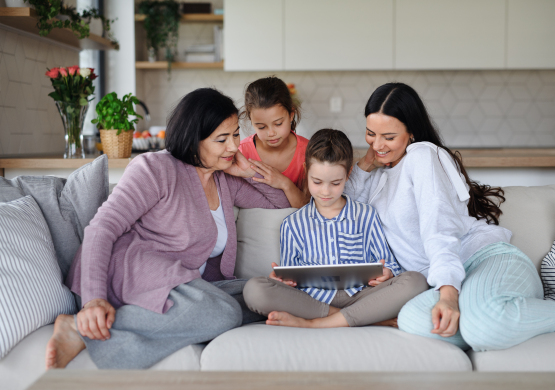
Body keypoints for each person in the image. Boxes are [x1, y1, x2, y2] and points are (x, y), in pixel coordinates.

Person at [45, 88, 292, 370]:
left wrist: (251, 173)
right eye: (221, 139)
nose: (234, 147)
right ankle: (79, 329)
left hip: (188, 287)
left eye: (236, 134)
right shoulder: (155, 168)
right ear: (192, 140)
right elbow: (102, 228)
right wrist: (93, 300)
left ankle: (185, 316)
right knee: (222, 314)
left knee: (265, 295)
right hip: (130, 272)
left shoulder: (225, 179)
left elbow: (280, 203)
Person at [345, 82, 555, 351]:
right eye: (370, 133)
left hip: (483, 261)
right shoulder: (378, 178)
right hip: (443, 281)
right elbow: (343, 206)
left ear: (411, 133)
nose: (377, 145)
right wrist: (364, 164)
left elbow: (438, 227)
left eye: (389, 136)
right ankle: (523, 315)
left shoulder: (421, 156)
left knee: (481, 327)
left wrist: (448, 295)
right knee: (411, 319)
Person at [243, 129, 428, 328]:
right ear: (306, 171)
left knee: (415, 281)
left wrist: (387, 273)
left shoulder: (366, 214)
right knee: (254, 290)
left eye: (335, 183)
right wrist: (283, 281)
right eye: (317, 182)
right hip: (313, 301)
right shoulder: (292, 224)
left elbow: (391, 265)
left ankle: (316, 323)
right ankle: (357, 318)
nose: (325, 191)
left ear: (348, 174)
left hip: (362, 296)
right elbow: (291, 279)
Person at [238, 76, 309, 208]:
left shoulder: (309, 152)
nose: (271, 133)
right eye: (261, 127)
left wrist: (284, 183)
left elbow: (308, 207)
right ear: (251, 121)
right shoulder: (242, 152)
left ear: (291, 115)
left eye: (278, 124)